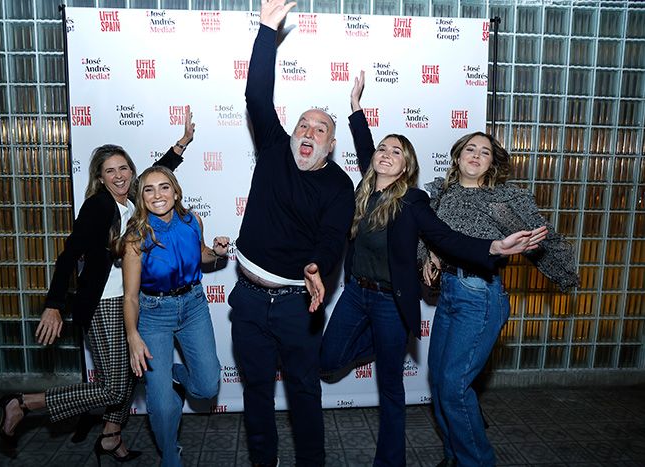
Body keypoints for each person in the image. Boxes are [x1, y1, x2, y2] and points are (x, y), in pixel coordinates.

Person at [319, 72, 548, 467]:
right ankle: (387, 343)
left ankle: (391, 461)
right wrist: (356, 107)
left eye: (396, 151)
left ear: (406, 166)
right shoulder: (363, 189)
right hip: (356, 294)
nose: (386, 153)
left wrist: (494, 246)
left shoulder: (413, 201)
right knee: (327, 359)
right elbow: (363, 146)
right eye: (382, 149)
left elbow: (445, 238)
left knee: (394, 387)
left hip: (392, 301)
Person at [0, 111, 195, 464]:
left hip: (133, 300)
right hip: (106, 302)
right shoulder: (98, 206)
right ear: (100, 178)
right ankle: (23, 403)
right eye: (110, 171)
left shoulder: (132, 203)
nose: (119, 175)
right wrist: (53, 304)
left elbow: (157, 170)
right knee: (114, 386)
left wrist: (182, 144)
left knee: (130, 375)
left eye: (124, 168)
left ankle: (111, 438)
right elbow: (69, 254)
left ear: (132, 172)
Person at [228, 1, 355, 465]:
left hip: (296, 304)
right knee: (257, 393)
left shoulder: (340, 186)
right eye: (303, 123)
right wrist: (266, 30)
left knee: (304, 395)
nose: (308, 131)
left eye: (319, 128)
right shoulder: (275, 149)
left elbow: (332, 236)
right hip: (247, 299)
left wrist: (318, 268)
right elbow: (258, 97)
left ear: (330, 143)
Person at [422, 131, 579, 467]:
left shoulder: (500, 200)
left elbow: (540, 239)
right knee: (438, 382)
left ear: (492, 163)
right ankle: (454, 457)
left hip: (480, 297)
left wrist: (564, 273)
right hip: (450, 291)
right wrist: (428, 258)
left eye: (485, 152)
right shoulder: (441, 196)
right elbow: (429, 235)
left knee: (453, 387)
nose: (476, 156)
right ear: (458, 156)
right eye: (470, 149)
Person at [121, 166, 228, 467]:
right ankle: (170, 454)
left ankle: (176, 373)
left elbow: (202, 253)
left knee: (207, 386)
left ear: (176, 191)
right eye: (149, 189)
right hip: (154, 314)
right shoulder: (136, 237)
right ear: (141, 198)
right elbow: (130, 296)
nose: (158, 195)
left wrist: (217, 252)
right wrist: (133, 336)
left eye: (164, 187)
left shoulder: (192, 220)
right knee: (161, 399)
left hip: (193, 305)